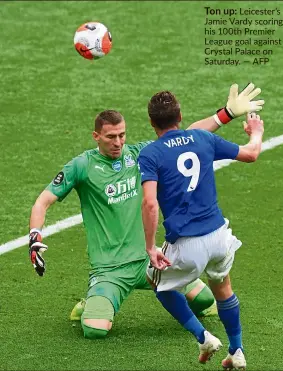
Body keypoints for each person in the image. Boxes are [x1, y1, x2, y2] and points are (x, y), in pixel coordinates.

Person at [28, 83, 264, 340]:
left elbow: (185, 137)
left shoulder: (140, 155)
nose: (118, 142)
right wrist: (34, 237)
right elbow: (43, 201)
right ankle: (93, 301)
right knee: (95, 329)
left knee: (206, 302)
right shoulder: (82, 166)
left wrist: (226, 113)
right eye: (110, 137)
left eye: (122, 135)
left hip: (150, 260)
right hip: (110, 269)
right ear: (96, 137)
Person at [139, 90, 264, 369]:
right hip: (220, 236)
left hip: (187, 244)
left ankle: (203, 336)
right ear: (180, 117)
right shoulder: (201, 138)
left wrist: (150, 247)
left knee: (157, 282)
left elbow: (150, 204)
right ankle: (237, 350)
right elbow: (251, 154)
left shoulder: (150, 154)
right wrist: (255, 131)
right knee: (223, 288)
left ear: (151, 123)